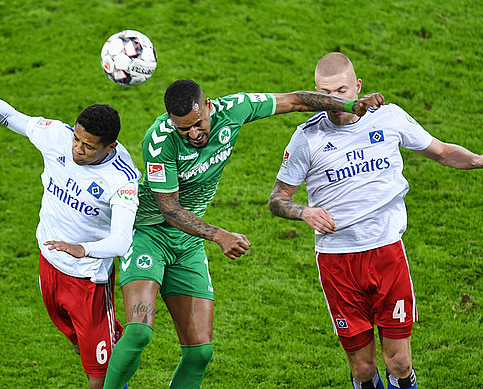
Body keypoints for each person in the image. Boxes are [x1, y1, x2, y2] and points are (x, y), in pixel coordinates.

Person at [103, 79, 385, 388]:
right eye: (184, 129)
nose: (194, 134)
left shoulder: (235, 109)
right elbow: (169, 208)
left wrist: (348, 106)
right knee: (139, 332)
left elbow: (293, 100)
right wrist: (219, 235)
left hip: (187, 242)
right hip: (148, 233)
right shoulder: (159, 141)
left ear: (208, 105)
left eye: (198, 124)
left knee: (200, 352)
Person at [268, 52, 483, 389]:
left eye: (342, 90)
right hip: (338, 262)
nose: (334, 101)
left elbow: (440, 152)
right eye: (326, 93)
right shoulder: (307, 138)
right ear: (315, 92)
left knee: (398, 361)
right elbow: (277, 199)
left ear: (358, 86)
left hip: (386, 253)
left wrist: (477, 159)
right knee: (363, 368)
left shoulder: (390, 118)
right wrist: (304, 212)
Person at [0, 55, 140, 389]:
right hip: (49, 266)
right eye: (77, 139)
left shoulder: (123, 180)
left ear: (110, 146)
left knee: (101, 375)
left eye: (88, 147)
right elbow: (11, 117)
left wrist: (82, 248)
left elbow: (122, 241)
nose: (78, 150)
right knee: (78, 346)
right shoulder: (57, 136)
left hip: (88, 281)